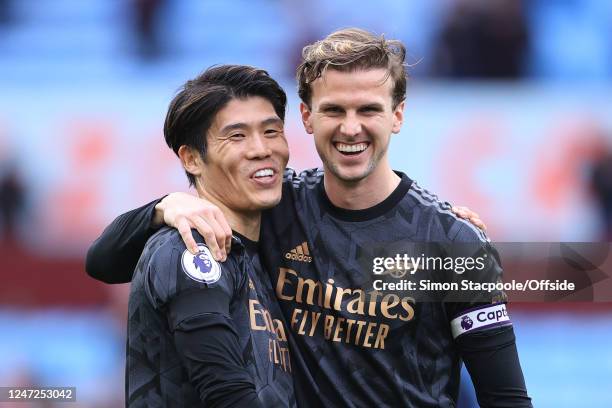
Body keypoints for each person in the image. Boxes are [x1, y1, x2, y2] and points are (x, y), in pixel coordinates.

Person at [87, 29, 531, 407]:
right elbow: (103, 262)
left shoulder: (451, 244)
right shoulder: (275, 207)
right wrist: (163, 206)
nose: (351, 127)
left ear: (397, 115)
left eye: (369, 110)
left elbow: (505, 398)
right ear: (306, 117)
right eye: (334, 110)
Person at [123, 65, 294, 407]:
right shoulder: (192, 249)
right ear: (192, 159)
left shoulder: (259, 252)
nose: (261, 149)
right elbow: (225, 391)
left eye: (272, 131)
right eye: (237, 136)